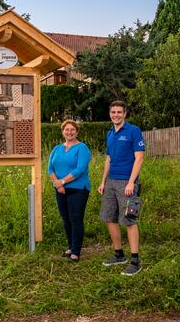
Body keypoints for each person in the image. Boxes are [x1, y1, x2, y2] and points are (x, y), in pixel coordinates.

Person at [98, 101, 146, 276]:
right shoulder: (110, 133)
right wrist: (103, 181)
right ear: (110, 114)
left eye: (119, 112)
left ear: (125, 113)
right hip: (110, 182)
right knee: (109, 218)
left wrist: (132, 182)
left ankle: (135, 261)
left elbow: (139, 158)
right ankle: (119, 255)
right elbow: (108, 159)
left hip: (127, 182)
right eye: (113, 112)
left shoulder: (134, 131)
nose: (116, 115)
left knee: (129, 220)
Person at [48, 119, 92, 262]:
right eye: (67, 129)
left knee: (76, 219)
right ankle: (70, 246)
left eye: (72, 129)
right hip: (60, 189)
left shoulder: (82, 148)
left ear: (77, 132)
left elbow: (80, 169)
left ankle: (76, 251)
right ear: (63, 132)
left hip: (78, 189)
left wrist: (62, 181)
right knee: (66, 219)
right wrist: (57, 184)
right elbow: (50, 169)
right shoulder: (56, 149)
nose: (69, 132)